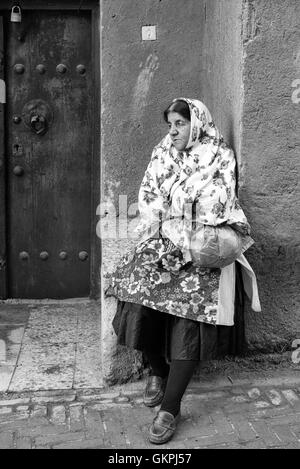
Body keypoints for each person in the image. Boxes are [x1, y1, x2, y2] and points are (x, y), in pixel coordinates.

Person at [106, 97, 261, 445]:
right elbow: (149, 196)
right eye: (170, 124)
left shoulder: (218, 154)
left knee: (189, 312)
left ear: (198, 124)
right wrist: (171, 215)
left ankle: (171, 408)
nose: (173, 131)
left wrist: (176, 207)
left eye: (180, 123)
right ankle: (159, 373)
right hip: (166, 238)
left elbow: (219, 201)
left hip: (201, 247)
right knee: (134, 291)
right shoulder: (163, 152)